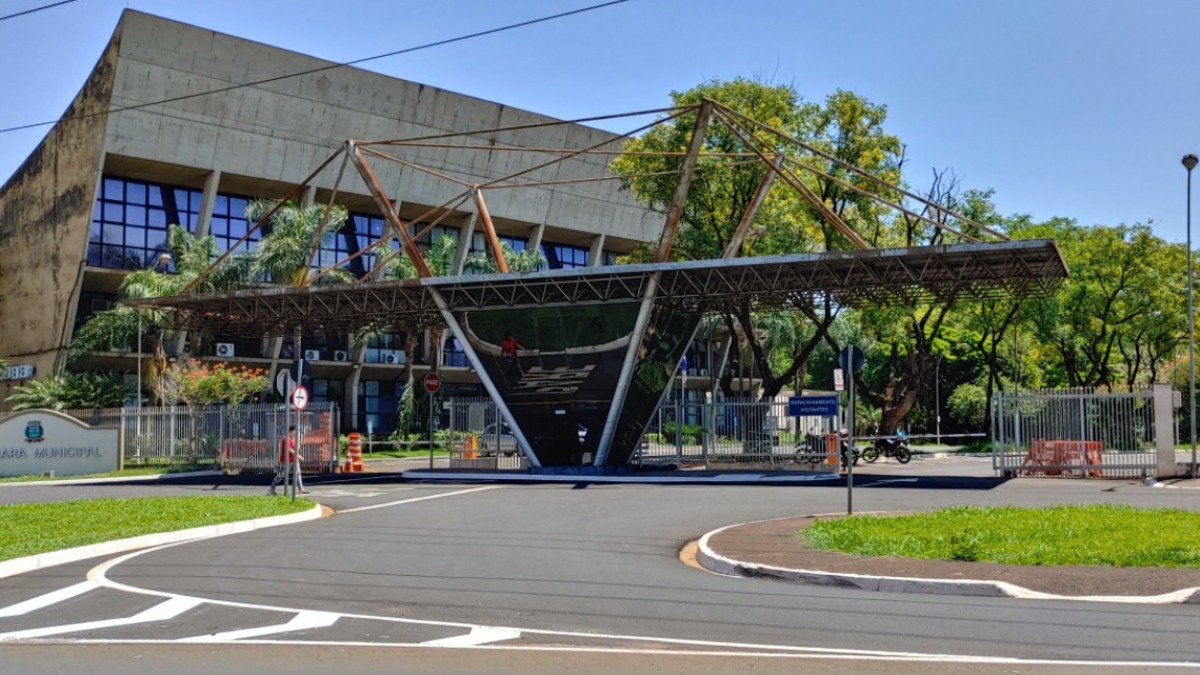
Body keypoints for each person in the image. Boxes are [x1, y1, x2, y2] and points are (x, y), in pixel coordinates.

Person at [268, 425, 308, 495]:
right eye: (296, 431)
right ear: (292, 431)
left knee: (298, 473)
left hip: (294, 460)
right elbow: (289, 450)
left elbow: (295, 449)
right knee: (281, 475)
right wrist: (299, 456)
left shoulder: (293, 439)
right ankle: (271, 489)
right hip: (286, 461)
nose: (296, 432)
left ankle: (301, 489)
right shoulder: (285, 439)